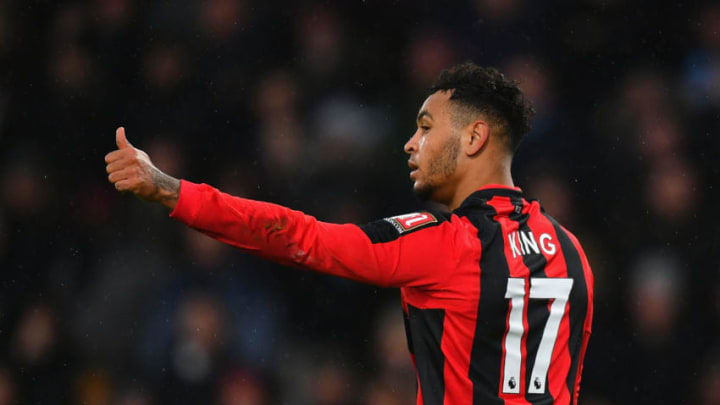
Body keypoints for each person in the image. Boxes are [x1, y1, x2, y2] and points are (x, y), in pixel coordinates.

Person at [105, 62, 593, 405]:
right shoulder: (572, 253)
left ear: (473, 137)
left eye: (425, 127)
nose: (410, 143)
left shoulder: (448, 243)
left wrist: (173, 191)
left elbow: (303, 238)